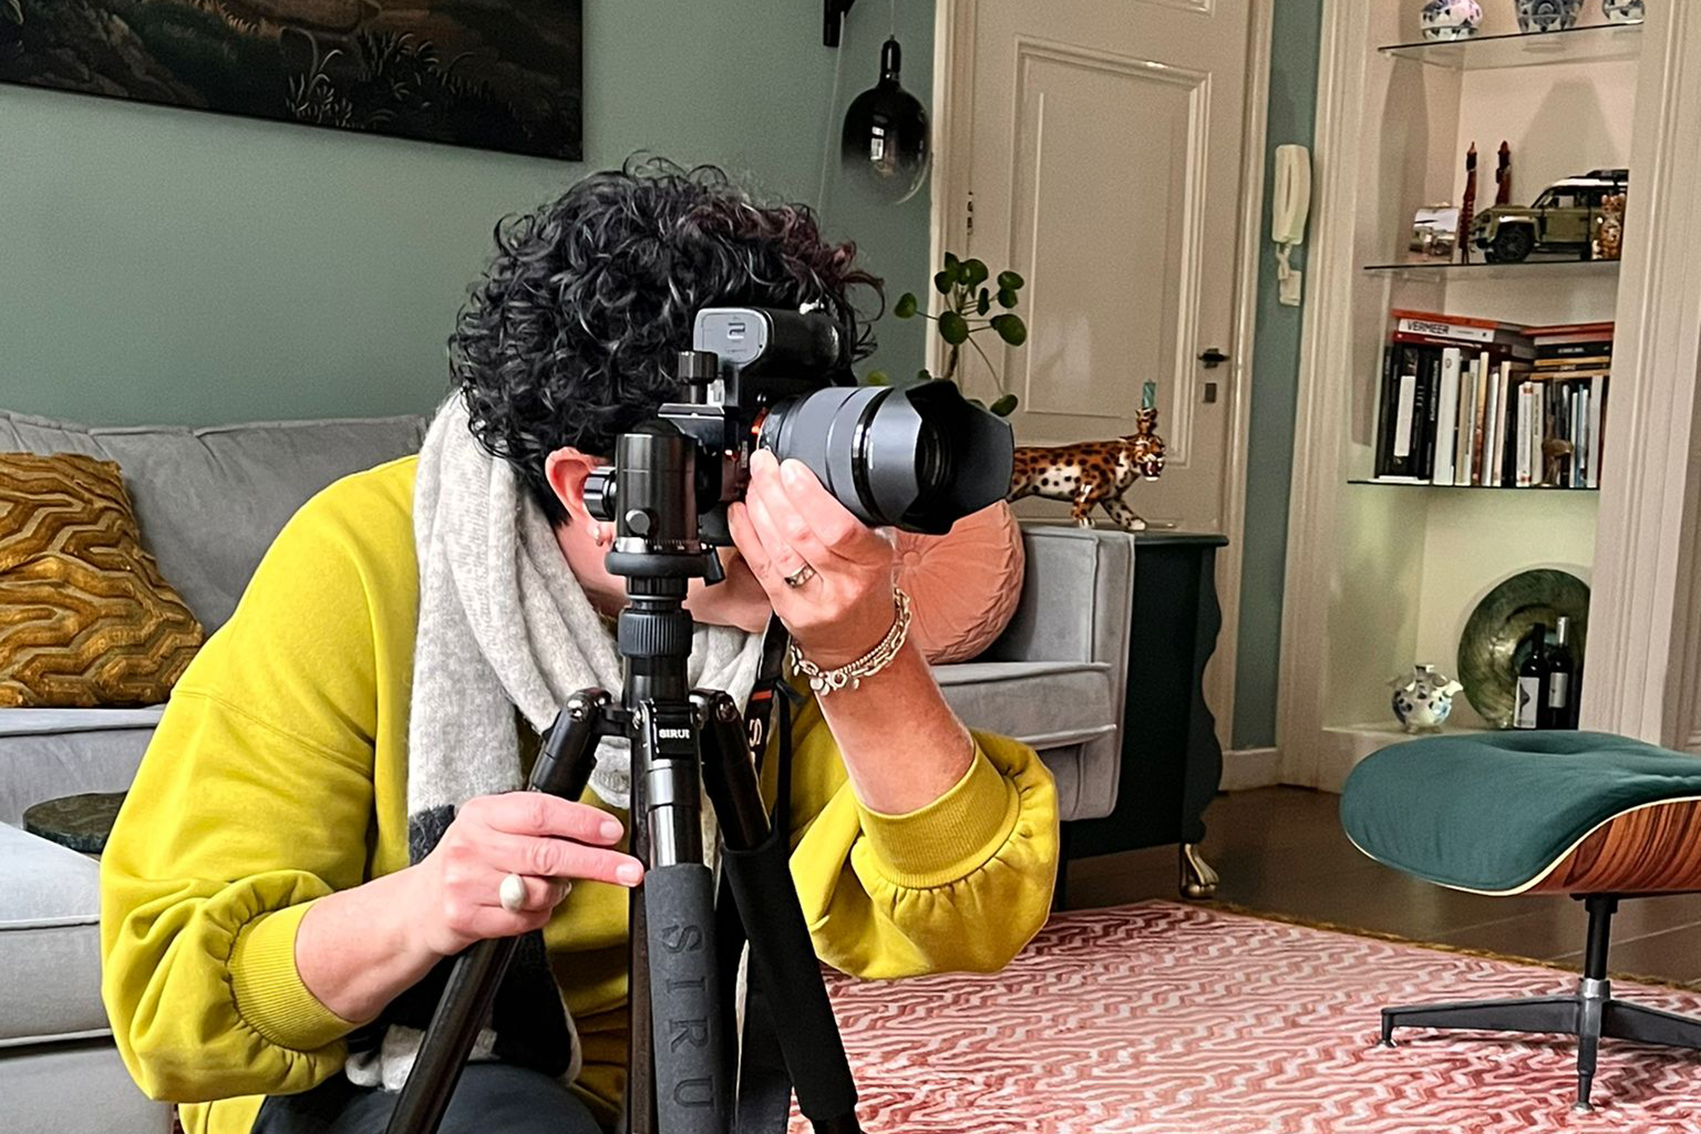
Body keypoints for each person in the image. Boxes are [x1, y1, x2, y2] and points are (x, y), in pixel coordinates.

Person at [99, 159, 1059, 1134]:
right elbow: (172, 1002)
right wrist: (431, 904)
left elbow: (969, 922)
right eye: (743, 455)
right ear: (587, 490)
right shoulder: (364, 557)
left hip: (658, 1076)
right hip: (378, 1071)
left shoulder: (779, 626)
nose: (791, 495)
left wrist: (866, 649)